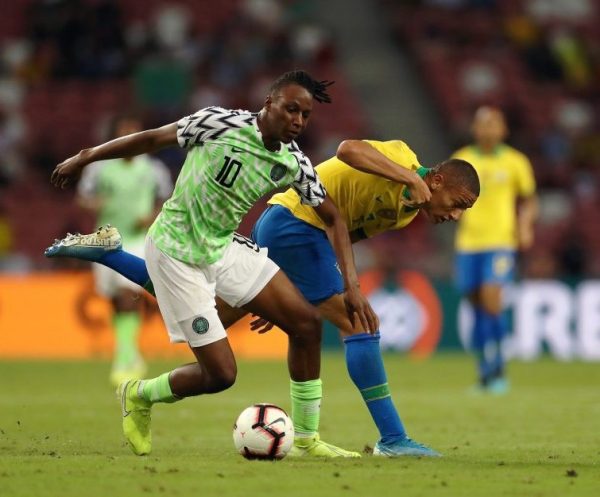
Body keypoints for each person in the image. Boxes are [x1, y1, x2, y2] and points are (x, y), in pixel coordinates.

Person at [48, 136, 480, 457]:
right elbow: (347, 150)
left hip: (296, 235)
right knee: (359, 322)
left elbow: (343, 236)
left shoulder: (405, 214)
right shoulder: (402, 158)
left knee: (215, 313)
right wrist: (407, 178)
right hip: (294, 222)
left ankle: (113, 265)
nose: (456, 215)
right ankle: (390, 438)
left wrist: (284, 292)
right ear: (437, 179)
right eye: (457, 202)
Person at [49, 70, 378, 458]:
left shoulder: (293, 162)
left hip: (223, 248)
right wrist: (86, 156)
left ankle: (306, 440)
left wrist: (352, 286)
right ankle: (139, 394)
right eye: (291, 109)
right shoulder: (218, 123)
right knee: (221, 374)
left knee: (306, 324)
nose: (298, 121)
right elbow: (151, 138)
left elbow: (334, 218)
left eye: (305, 115)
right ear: (269, 103)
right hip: (175, 250)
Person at [77, 114, 172, 386]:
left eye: (134, 132)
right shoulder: (99, 168)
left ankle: (123, 358)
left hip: (137, 239)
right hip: (104, 240)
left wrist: (152, 215)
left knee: (126, 294)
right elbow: (82, 198)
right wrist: (93, 203)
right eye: (125, 133)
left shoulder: (154, 169)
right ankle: (131, 354)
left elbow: (166, 200)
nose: (130, 138)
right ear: (116, 136)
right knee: (114, 300)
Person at [452, 106, 537, 394]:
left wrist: (525, 225)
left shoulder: (516, 162)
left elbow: (529, 199)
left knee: (491, 299)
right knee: (475, 304)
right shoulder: (462, 158)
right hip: (468, 243)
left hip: (500, 242)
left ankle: (499, 367)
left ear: (504, 129)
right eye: (483, 123)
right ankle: (484, 371)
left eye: (493, 123)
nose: (488, 128)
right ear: (474, 129)